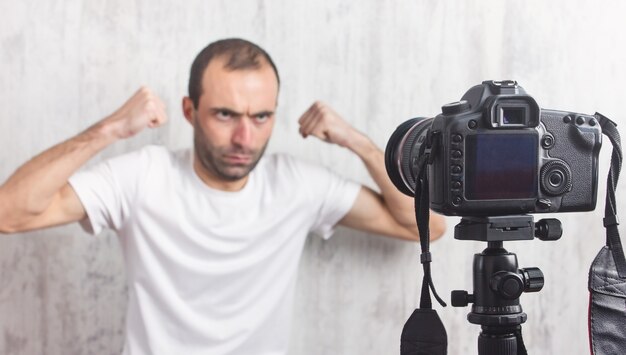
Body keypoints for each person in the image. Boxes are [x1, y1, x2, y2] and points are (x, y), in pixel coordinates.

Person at [0, 38, 445, 355]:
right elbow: (10, 213)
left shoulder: (298, 185)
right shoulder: (142, 176)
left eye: (261, 116)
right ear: (190, 111)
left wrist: (358, 143)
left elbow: (426, 226)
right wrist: (109, 130)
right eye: (225, 114)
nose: (244, 137)